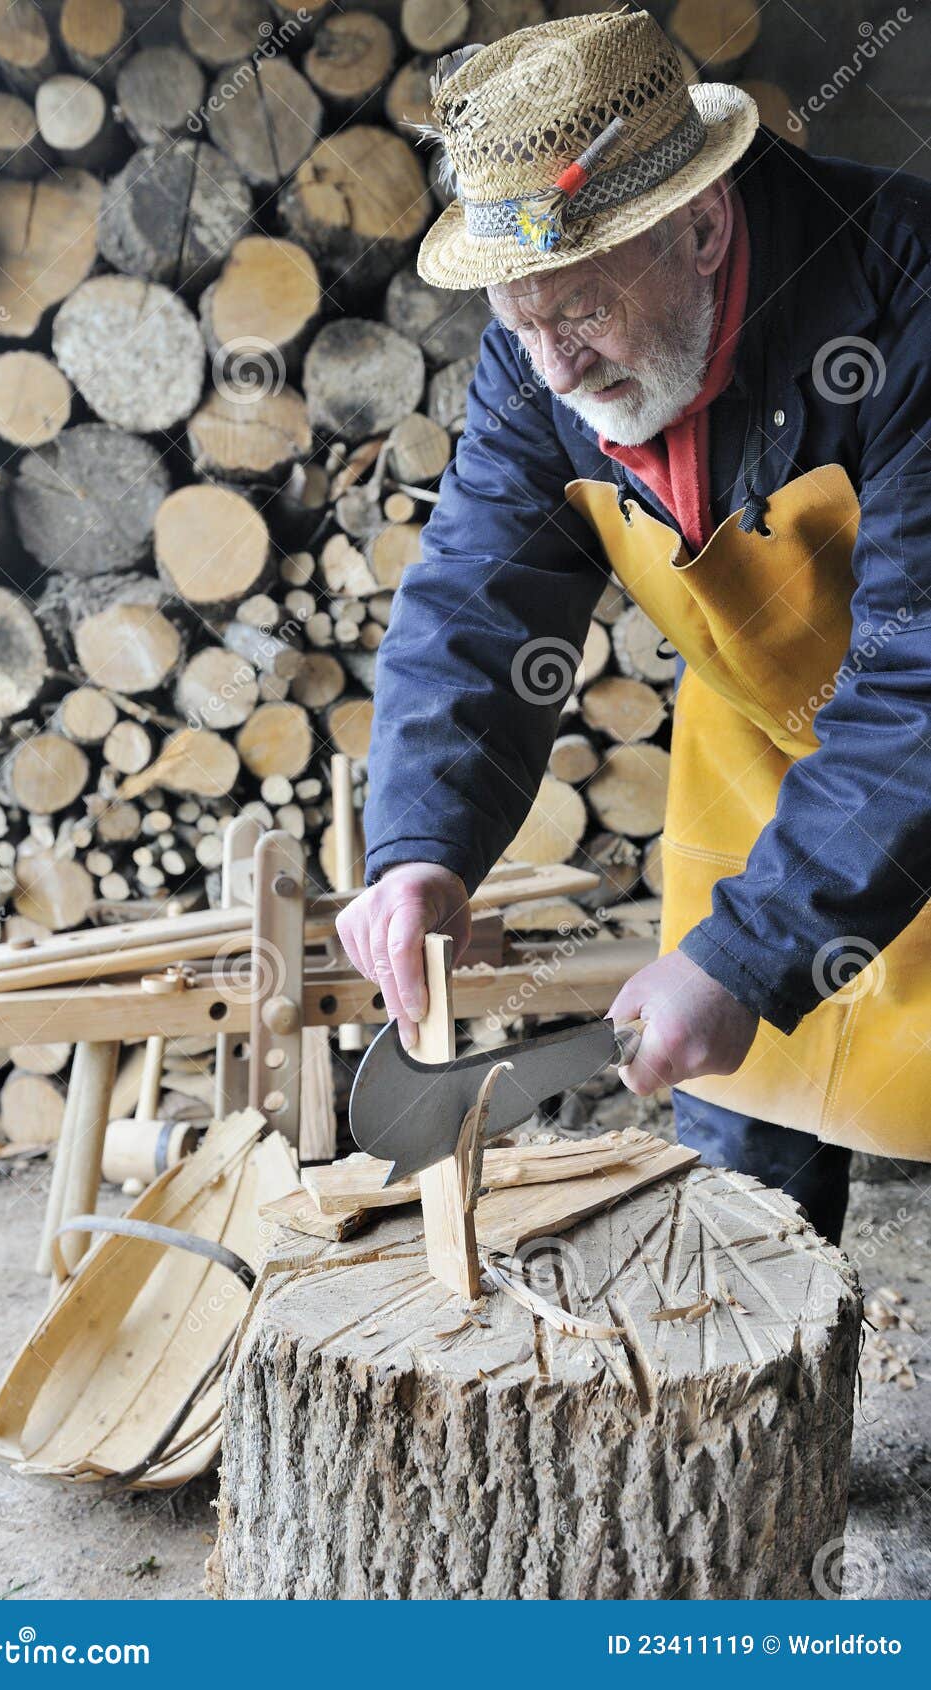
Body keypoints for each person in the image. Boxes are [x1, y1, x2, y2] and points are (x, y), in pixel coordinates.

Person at [335, 9, 931, 1246]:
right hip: (766, 748)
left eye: (582, 317)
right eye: (520, 324)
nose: (552, 367)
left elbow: (921, 678)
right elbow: (477, 602)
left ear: (702, 227)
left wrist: (753, 949)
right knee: (732, 1173)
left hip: (909, 726)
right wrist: (420, 846)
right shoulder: (543, 347)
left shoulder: (909, 298)